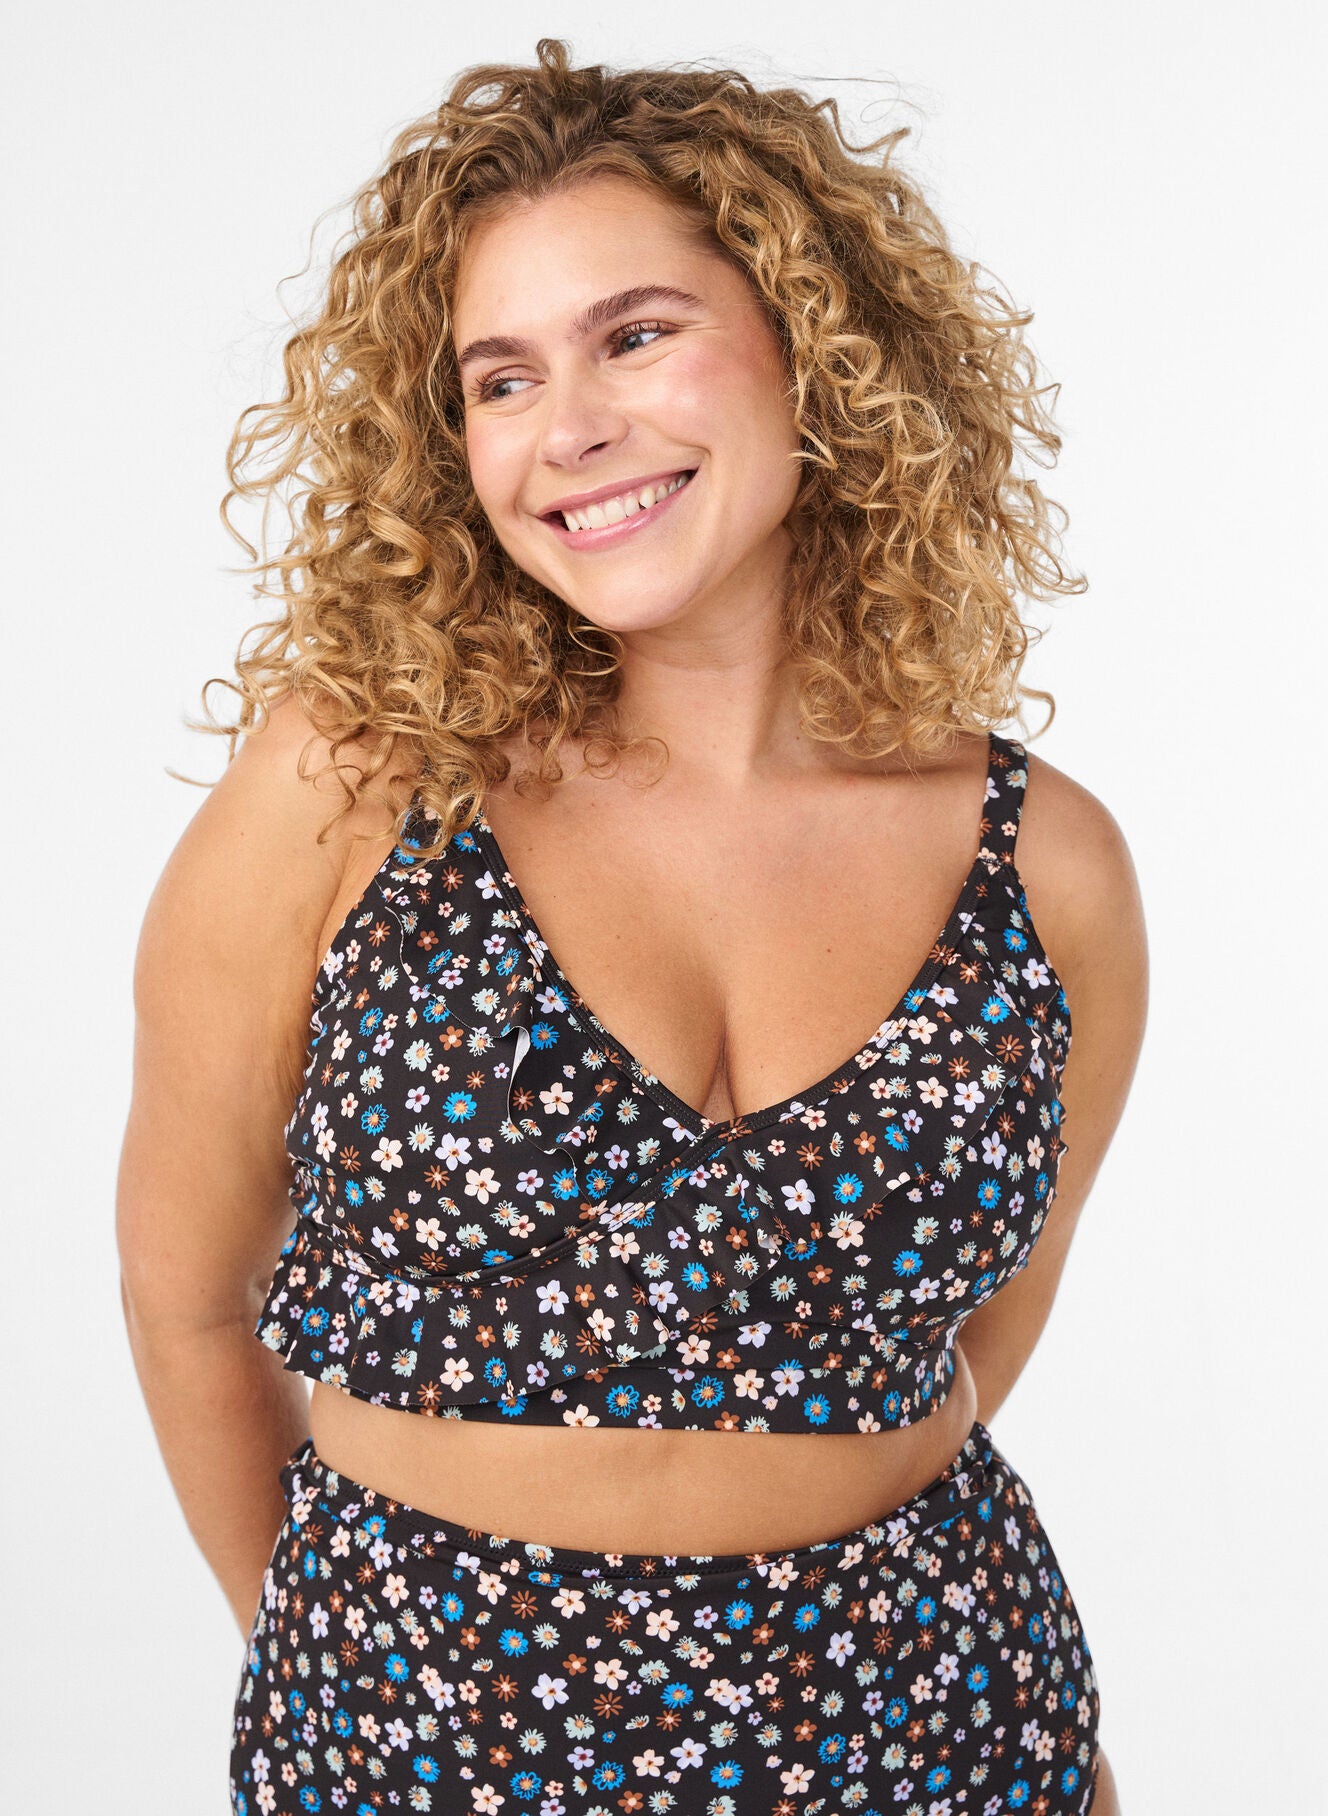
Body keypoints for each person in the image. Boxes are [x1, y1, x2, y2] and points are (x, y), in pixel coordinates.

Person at [117, 39, 1144, 1815]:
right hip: (421, 1730)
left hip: (933, 1721)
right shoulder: (352, 787)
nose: (569, 427)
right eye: (500, 379)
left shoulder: (1046, 866)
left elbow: (973, 1344)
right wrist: (336, 1656)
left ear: (817, 348)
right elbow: (188, 1300)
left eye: (636, 335)